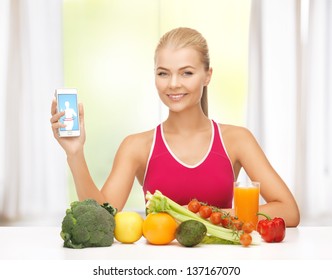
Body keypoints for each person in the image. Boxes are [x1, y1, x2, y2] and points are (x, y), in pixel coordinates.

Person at [50, 27, 300, 227]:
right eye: (163, 73)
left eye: (187, 73)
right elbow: (102, 217)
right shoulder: (136, 146)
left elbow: (288, 210)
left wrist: (211, 217)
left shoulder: (236, 140)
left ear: (207, 75)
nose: (173, 84)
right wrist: (75, 153)